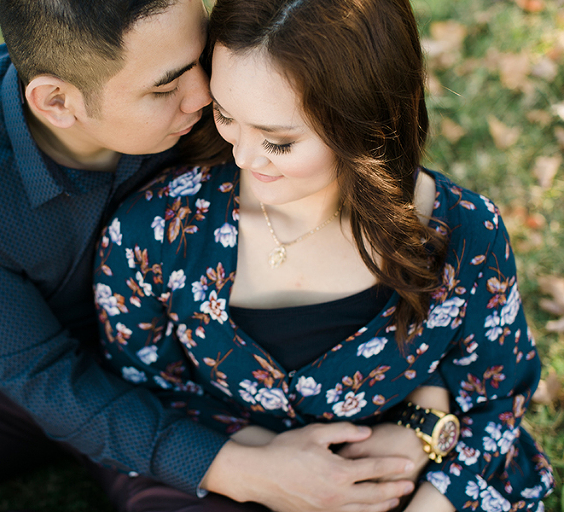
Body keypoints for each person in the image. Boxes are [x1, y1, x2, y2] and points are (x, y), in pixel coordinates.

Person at [0, 0, 419, 511]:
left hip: (216, 382)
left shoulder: (225, 97)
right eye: (166, 86)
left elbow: (350, 171)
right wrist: (241, 473)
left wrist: (419, 418)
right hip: (36, 369)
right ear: (58, 103)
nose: (207, 96)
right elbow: (34, 371)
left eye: (198, 58)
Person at [94, 0, 555, 510]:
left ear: (364, 122)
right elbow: (141, 391)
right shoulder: (157, 231)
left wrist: (425, 452)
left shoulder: (465, 233)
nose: (243, 157)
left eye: (279, 141)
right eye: (225, 115)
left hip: (403, 484)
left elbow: (495, 397)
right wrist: (267, 466)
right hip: (218, 476)